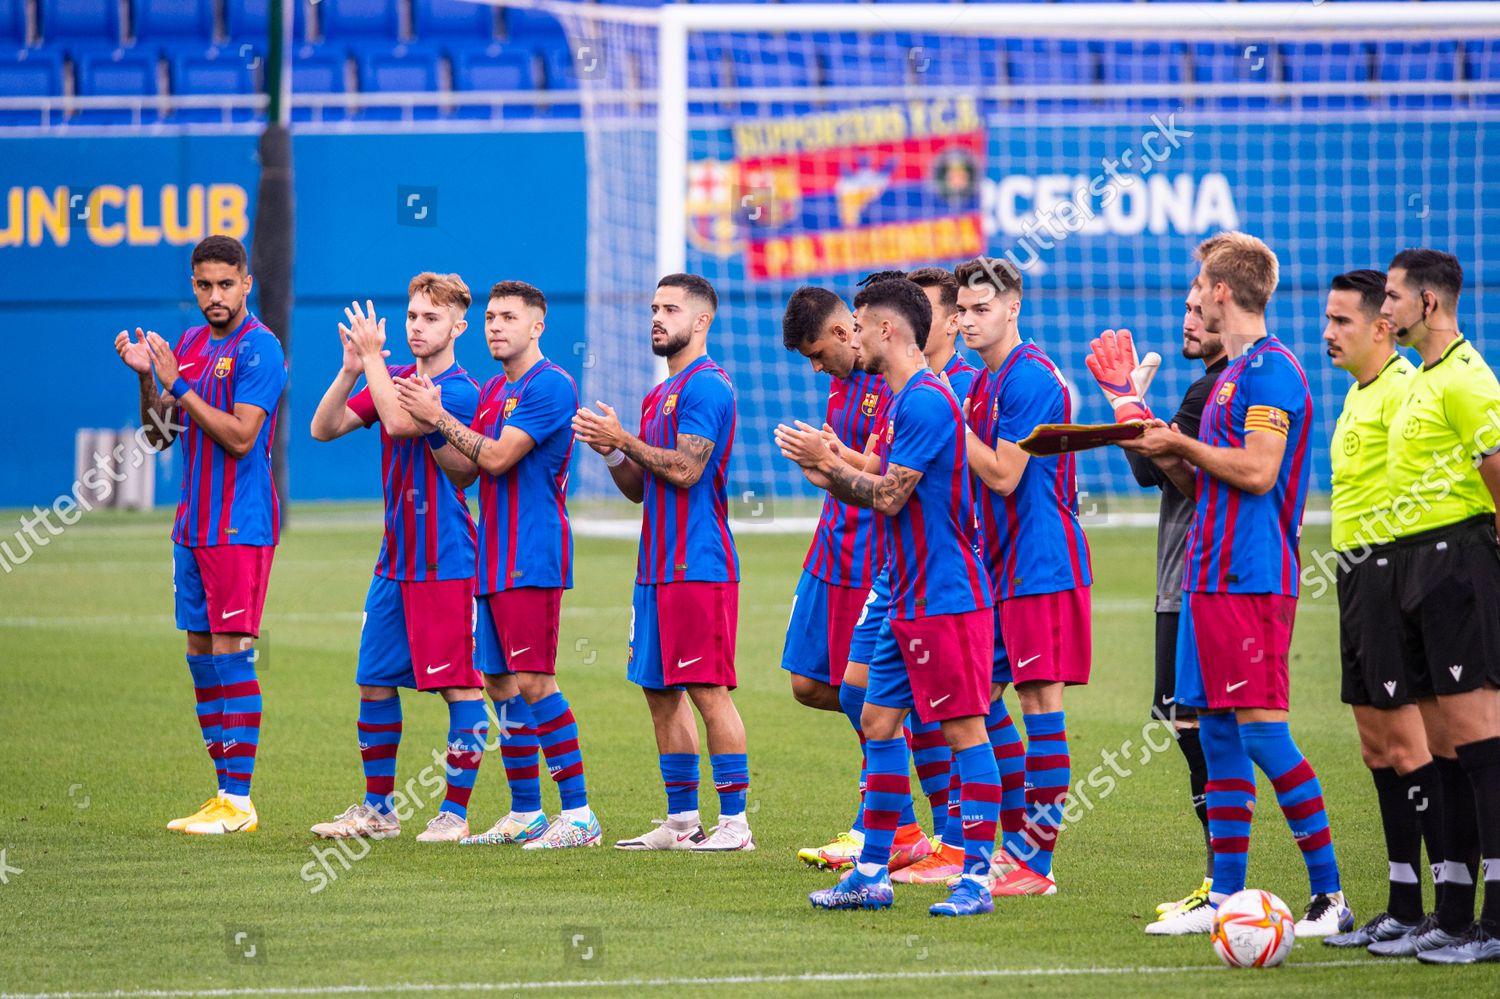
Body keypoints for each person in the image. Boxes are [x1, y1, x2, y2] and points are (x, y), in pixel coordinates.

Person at [1126, 232, 1350, 938]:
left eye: (1199, 285)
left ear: (1223, 290)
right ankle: (1226, 897)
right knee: (1215, 734)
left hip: (1252, 579)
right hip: (1206, 580)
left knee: (1263, 735)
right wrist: (1141, 427)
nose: (1192, 297)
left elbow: (1257, 470)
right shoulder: (1229, 374)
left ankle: (1330, 897)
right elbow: (1198, 480)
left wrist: (1179, 441)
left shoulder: (1274, 371)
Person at [777, 277, 999, 917]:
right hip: (905, 593)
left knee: (963, 731)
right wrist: (834, 463)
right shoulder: (904, 401)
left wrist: (828, 470)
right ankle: (873, 871)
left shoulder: (927, 401)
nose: (855, 335)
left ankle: (975, 881)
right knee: (875, 719)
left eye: (863, 324)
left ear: (889, 331)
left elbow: (890, 496)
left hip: (945, 594)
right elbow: (881, 479)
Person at [395, 280, 600, 849]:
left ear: (538, 326)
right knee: (501, 681)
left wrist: (437, 417)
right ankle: (525, 811)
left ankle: (579, 815)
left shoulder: (553, 384)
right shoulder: (489, 392)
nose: (495, 327)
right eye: (489, 318)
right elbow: (465, 473)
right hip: (493, 555)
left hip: (533, 553)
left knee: (536, 680)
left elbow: (501, 456)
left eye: (508, 317)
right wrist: (434, 422)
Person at [572, 273, 754, 852]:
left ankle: (735, 826)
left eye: (670, 309)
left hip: (698, 566)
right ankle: (681, 823)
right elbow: (642, 488)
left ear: (700, 321)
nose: (657, 317)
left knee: (707, 690)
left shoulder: (708, 386)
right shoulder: (658, 395)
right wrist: (612, 452)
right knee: (658, 692)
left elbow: (687, 469)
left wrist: (624, 436)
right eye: (653, 307)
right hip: (654, 570)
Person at [113, 235, 286, 835]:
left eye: (225, 284)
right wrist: (147, 381)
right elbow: (161, 435)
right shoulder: (186, 344)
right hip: (193, 524)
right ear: (194, 285)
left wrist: (178, 385)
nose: (215, 295)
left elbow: (240, 437)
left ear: (246, 283)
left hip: (239, 524)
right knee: (199, 656)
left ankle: (239, 802)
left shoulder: (261, 348)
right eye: (204, 285)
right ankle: (221, 795)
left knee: (231, 652)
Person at [307, 273, 486, 843]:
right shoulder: (394, 376)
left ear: (458, 326)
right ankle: (378, 810)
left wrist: (375, 362)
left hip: (445, 559)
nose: (416, 326)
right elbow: (323, 427)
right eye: (411, 316)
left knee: (459, 686)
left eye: (430, 318)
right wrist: (351, 369)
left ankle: (454, 814)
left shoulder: (457, 390)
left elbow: (399, 422)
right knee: (374, 682)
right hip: (395, 560)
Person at [1368, 249, 1500, 965]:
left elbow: (1499, 478)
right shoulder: (1422, 379)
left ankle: (1497, 919)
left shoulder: (1470, 381)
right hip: (1415, 564)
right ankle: (1450, 912)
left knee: (1482, 748)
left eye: (1391, 297)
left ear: (1428, 304)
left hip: (1459, 563)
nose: (1382, 309)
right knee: (1446, 751)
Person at [953, 256, 1092, 895]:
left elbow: (1005, 475)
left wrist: (946, 425)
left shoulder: (1029, 378)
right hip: (1000, 566)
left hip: (1041, 564)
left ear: (1013, 308)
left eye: (983, 309)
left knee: (1040, 705)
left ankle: (1039, 861)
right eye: (963, 309)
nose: (969, 320)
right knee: (976, 699)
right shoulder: (983, 383)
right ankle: (1015, 843)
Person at [1313, 269, 1433, 948]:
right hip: (1355, 577)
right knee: (1373, 747)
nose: (1328, 333)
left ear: (1383, 327)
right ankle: (1402, 900)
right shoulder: (1358, 396)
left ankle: (1439, 905)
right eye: (1327, 320)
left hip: (1392, 574)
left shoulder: (1404, 392)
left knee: (1411, 746)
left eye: (1342, 322)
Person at [1109, 299, 1228, 920]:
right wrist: (1127, 406)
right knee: (1190, 728)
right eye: (1186, 308)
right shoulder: (1202, 388)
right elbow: (1149, 471)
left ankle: (1227, 882)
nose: (1188, 320)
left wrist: (1133, 409)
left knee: (1218, 731)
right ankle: (1220, 880)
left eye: (1199, 310)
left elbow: (1185, 474)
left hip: (1202, 581)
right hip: (1178, 580)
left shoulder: (1221, 389)